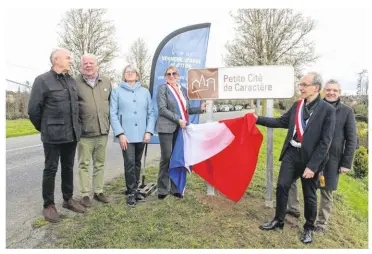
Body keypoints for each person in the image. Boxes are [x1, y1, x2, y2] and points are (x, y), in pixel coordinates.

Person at [255, 72, 336, 244]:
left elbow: (325, 142)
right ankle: (279, 220)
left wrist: (312, 167)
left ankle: (308, 228)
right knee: (282, 185)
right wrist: (257, 119)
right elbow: (280, 122)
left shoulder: (328, 110)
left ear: (316, 87)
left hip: (311, 159)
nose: (300, 88)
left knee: (309, 195)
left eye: (304, 85)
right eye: (300, 84)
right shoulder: (297, 105)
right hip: (292, 153)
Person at [286, 79, 357, 233]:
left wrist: (346, 163)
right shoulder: (313, 105)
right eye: (329, 90)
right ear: (323, 90)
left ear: (340, 93)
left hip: (331, 159)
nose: (331, 93)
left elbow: (352, 139)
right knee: (290, 179)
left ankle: (321, 223)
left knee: (326, 191)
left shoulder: (347, 112)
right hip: (308, 155)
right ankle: (293, 209)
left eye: (335, 90)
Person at [28, 48, 86, 223]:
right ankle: (49, 205)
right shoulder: (42, 80)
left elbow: (76, 106)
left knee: (68, 167)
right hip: (52, 135)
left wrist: (78, 126)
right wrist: (45, 128)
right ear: (56, 60)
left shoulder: (71, 81)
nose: (70, 60)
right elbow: (33, 110)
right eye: (67, 57)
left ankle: (68, 199)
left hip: (71, 133)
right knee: (51, 169)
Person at [156, 65, 206, 200]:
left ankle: (175, 188)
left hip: (181, 129)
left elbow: (187, 110)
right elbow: (162, 109)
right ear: (166, 76)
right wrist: (178, 120)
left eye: (174, 74)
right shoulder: (163, 89)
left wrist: (200, 109)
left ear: (178, 76)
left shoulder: (183, 90)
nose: (171, 76)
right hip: (167, 128)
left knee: (177, 157)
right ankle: (162, 188)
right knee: (166, 157)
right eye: (168, 74)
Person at [110, 64, 155, 207]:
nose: (130, 73)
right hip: (126, 135)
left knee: (136, 162)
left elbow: (151, 113)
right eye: (127, 71)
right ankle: (130, 192)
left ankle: (135, 189)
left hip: (142, 134)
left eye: (133, 71)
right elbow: (113, 114)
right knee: (129, 162)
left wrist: (149, 131)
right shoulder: (116, 92)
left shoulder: (145, 92)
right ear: (124, 75)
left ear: (137, 75)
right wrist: (120, 133)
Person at [75, 54, 112, 207]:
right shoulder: (74, 82)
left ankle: (98, 191)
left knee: (99, 163)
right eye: (85, 63)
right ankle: (84, 194)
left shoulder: (107, 81)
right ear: (81, 66)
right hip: (84, 133)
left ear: (97, 65)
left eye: (91, 63)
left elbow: (111, 103)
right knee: (84, 164)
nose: (88, 65)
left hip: (102, 131)